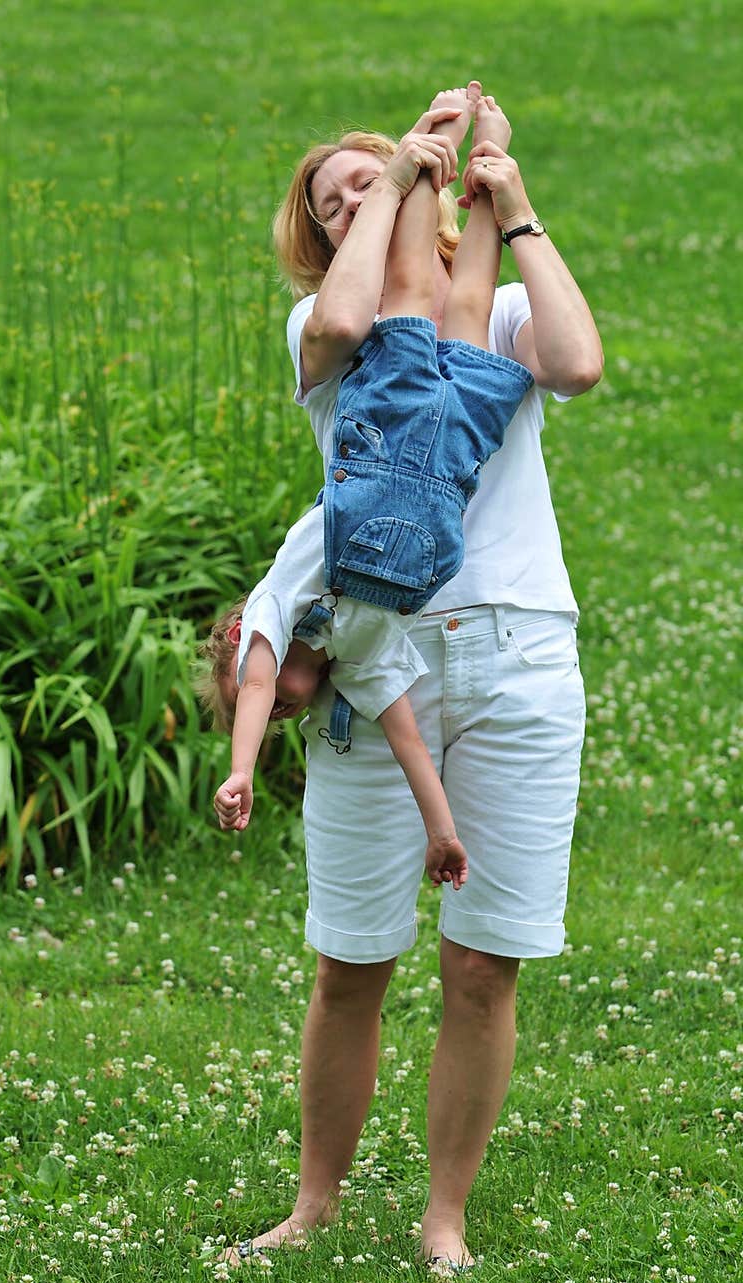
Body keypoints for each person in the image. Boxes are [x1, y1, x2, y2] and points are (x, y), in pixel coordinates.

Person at [211, 80, 603, 1278]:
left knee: (485, 963)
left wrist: (512, 205)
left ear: (429, 206)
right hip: (383, 661)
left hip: (521, 656)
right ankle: (314, 1204)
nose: (350, 203)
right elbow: (340, 323)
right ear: (330, 229)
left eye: (368, 180)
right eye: (332, 200)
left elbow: (578, 364)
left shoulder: (485, 328)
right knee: (352, 960)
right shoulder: (318, 334)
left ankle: (444, 1216)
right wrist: (389, 181)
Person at [202, 94, 532, 893]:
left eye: (277, 698)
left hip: (384, 456)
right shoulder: (361, 645)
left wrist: (240, 769)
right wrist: (442, 831)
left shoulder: (282, 603)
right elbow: (410, 743)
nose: (286, 698)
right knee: (468, 302)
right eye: (331, 205)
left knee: (420, 294)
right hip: (444, 474)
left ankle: (441, 145)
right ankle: (481, 157)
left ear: (253, 638)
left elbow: (251, 683)